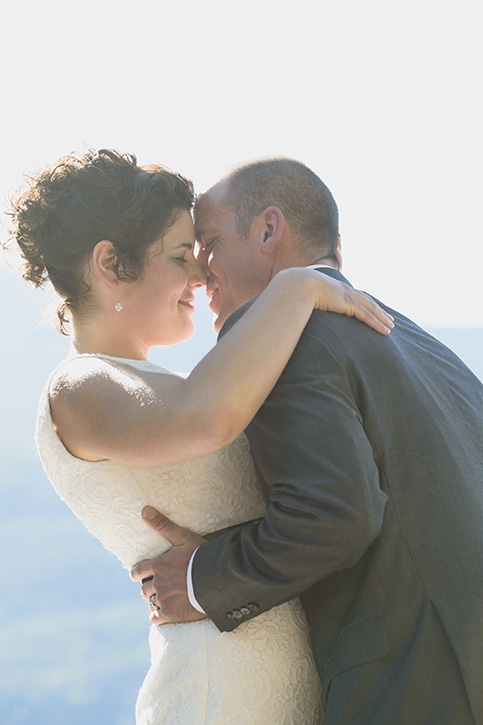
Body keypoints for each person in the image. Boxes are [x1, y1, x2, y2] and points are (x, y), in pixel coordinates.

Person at [5, 149, 394, 724]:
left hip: (284, 682)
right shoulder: (80, 387)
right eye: (182, 255)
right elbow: (206, 418)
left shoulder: (162, 386)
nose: (201, 273)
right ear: (111, 263)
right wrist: (295, 288)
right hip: (217, 693)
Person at [132, 158, 483, 724]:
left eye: (212, 242)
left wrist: (199, 580)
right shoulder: (426, 347)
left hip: (415, 690)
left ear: (269, 230)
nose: (199, 273)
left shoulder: (280, 336)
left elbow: (333, 515)